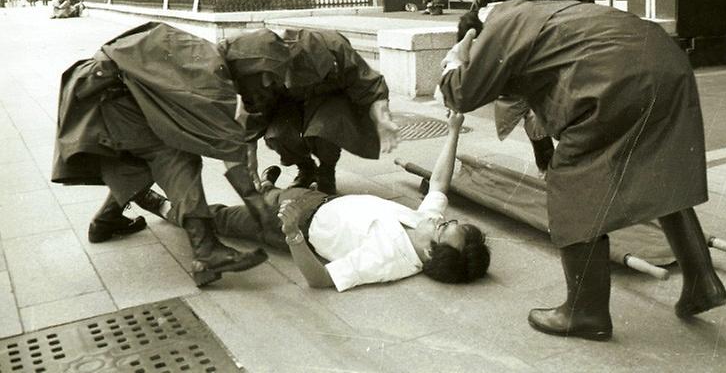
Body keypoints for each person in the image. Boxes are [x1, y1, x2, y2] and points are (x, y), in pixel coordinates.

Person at [438, 0, 726, 340]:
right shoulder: (537, 14)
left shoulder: (498, 28)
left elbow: (460, 94)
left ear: (474, 36)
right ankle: (702, 282)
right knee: (657, 173)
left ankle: (584, 311)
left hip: (616, 81)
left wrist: (456, 62)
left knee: (571, 186)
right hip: (667, 63)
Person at [143, 112, 491, 291]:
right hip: (317, 198)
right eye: (448, 220)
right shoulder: (423, 225)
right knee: (268, 194)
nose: (441, 219)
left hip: (292, 223)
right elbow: (440, 185)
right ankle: (266, 187)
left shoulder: (388, 261)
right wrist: (454, 130)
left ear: (431, 253)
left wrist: (293, 231)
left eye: (444, 227)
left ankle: (161, 206)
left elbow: (321, 280)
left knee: (220, 218)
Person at [52, 22, 280, 286]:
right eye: (265, 78)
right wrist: (257, 205)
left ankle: (105, 221)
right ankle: (206, 252)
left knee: (145, 156)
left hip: (103, 88)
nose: (266, 86)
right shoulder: (213, 78)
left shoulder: (209, 57)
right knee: (176, 157)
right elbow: (228, 148)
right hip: (105, 94)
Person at [457, 0, 595, 173]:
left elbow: (589, 35)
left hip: (562, 58)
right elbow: (473, 21)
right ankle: (547, 166)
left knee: (568, 117)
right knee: (533, 118)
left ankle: (572, 165)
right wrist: (466, 45)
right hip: (521, 60)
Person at [221, 28, 400, 196]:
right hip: (289, 104)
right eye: (261, 78)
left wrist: (382, 119)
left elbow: (368, 82)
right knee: (278, 135)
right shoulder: (255, 77)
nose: (267, 83)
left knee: (323, 130)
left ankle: (326, 172)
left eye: (269, 76)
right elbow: (255, 109)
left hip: (330, 98)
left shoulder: (330, 46)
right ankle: (306, 169)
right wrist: (249, 157)